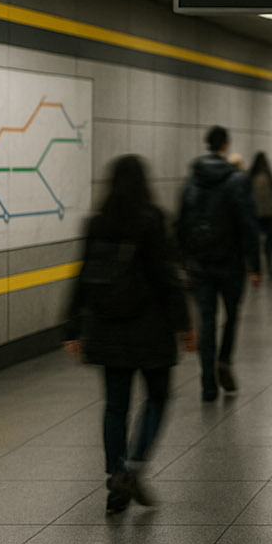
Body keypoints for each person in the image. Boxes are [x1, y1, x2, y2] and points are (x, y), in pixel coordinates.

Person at [65, 155, 195, 514]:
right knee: (156, 397)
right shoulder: (152, 220)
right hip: (150, 327)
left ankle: (116, 475)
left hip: (106, 327)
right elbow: (167, 277)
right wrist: (184, 324)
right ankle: (135, 466)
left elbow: (81, 277)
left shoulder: (97, 223)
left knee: (115, 405)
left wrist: (72, 327)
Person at [177, 125, 262, 402]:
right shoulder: (237, 180)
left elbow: (180, 224)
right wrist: (255, 265)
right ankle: (224, 359)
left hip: (200, 264)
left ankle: (207, 382)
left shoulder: (191, 181)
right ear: (225, 145)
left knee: (207, 318)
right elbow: (248, 224)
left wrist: (183, 261)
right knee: (233, 315)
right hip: (231, 263)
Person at [249, 151, 272, 276]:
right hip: (268, 215)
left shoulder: (251, 177)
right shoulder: (268, 177)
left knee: (255, 241)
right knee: (269, 241)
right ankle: (269, 264)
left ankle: (256, 266)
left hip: (255, 214)